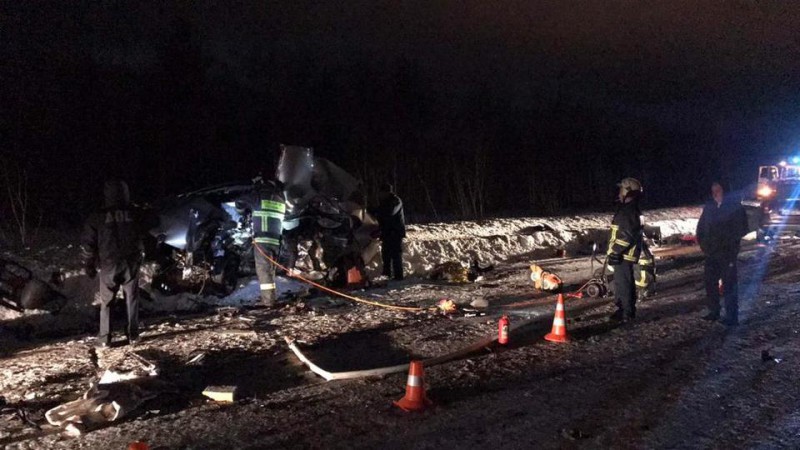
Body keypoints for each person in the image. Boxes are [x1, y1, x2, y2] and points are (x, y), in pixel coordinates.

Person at [80, 179, 144, 347]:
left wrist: (89, 265)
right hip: (130, 263)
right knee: (132, 299)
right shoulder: (135, 213)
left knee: (107, 302)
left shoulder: (97, 217)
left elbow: (88, 245)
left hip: (108, 265)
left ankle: (105, 338)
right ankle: (133, 335)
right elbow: (153, 224)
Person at [696, 181, 748, 326]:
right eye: (713, 190)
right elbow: (701, 228)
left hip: (727, 253)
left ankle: (732, 316)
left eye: (718, 190)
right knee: (710, 283)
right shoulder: (709, 207)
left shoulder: (735, 207)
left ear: (725, 191)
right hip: (711, 253)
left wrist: (727, 243)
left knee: (729, 285)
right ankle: (714, 311)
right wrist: (704, 244)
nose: (715, 193)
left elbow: (741, 229)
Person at [607, 177, 644, 323]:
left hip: (624, 255)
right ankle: (622, 309)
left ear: (628, 191)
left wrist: (615, 251)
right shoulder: (631, 209)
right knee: (621, 283)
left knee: (624, 284)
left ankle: (626, 313)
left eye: (621, 189)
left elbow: (626, 236)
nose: (619, 193)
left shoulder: (629, 211)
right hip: (624, 254)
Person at [251, 178, 286, 307]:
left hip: (262, 240)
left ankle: (268, 302)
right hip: (275, 241)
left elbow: (239, 202)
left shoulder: (259, 196)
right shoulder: (281, 199)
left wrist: (241, 211)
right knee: (270, 271)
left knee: (264, 270)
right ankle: (270, 298)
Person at [373, 183, 406, 280]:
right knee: (386, 254)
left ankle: (398, 276)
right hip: (387, 232)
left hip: (395, 232)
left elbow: (390, 212)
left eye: (382, 192)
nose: (380, 194)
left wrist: (378, 212)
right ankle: (387, 274)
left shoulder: (396, 201)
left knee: (396, 255)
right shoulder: (384, 202)